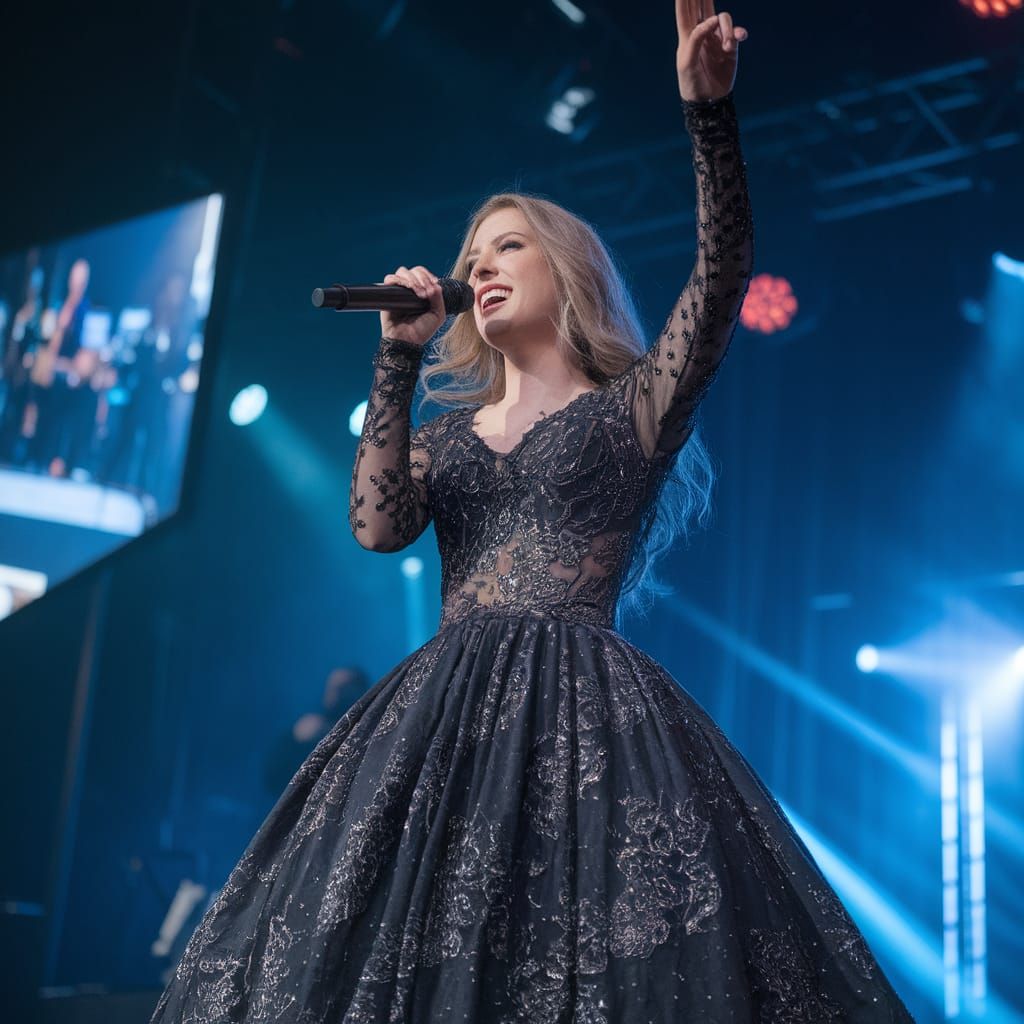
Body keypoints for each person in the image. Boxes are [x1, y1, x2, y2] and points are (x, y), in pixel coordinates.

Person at [150, 4, 917, 1021]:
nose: (482, 267)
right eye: (474, 256)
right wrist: (397, 354)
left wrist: (706, 114)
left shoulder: (628, 412)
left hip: (588, 713)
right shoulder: (449, 433)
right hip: (442, 720)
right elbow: (378, 528)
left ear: (571, 272)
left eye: (509, 247)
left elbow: (723, 275)